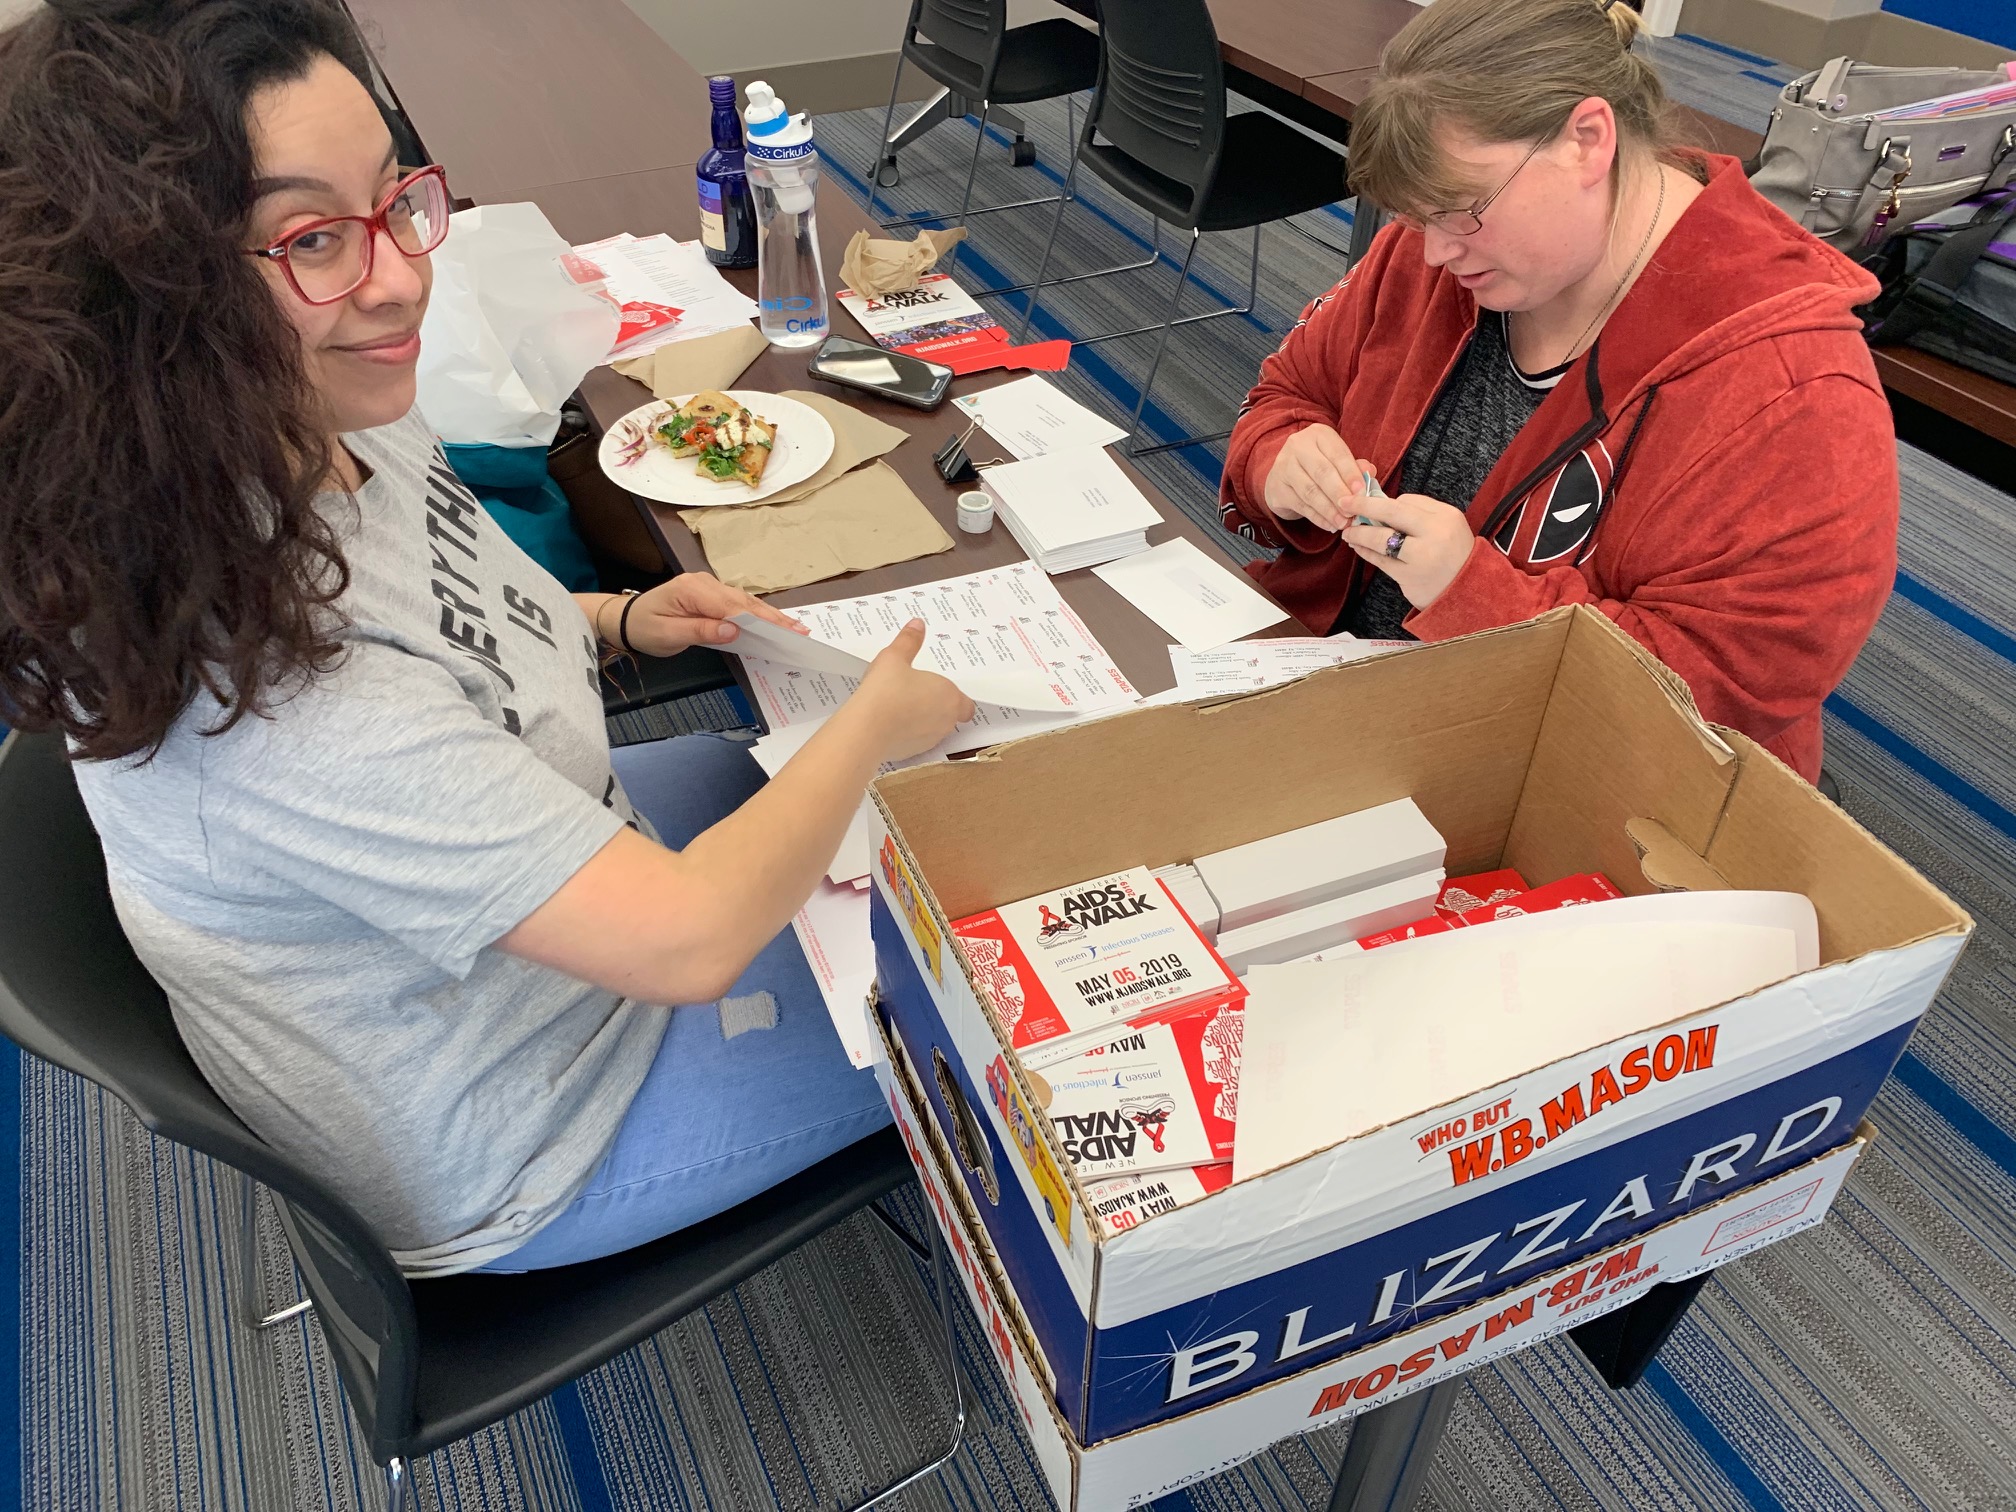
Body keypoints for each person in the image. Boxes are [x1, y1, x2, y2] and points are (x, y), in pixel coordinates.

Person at [0, 0, 974, 1276]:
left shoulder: (307, 411)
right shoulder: (278, 698)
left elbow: (440, 616)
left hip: (541, 889)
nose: (403, 274)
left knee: (939, 822)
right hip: (540, 1123)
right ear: (149, 301)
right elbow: (686, 938)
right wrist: (868, 732)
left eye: (393, 199)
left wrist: (619, 617)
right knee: (1000, 988)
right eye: (311, 238)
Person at [1218, 0, 1896, 781]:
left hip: (1564, 779)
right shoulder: (1438, 246)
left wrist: (1470, 594)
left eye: (1463, 211)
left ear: (1588, 141)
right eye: (1416, 217)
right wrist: (1284, 456)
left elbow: (1723, 692)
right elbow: (1287, 395)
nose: (1434, 251)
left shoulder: (1794, 392)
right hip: (1341, 696)